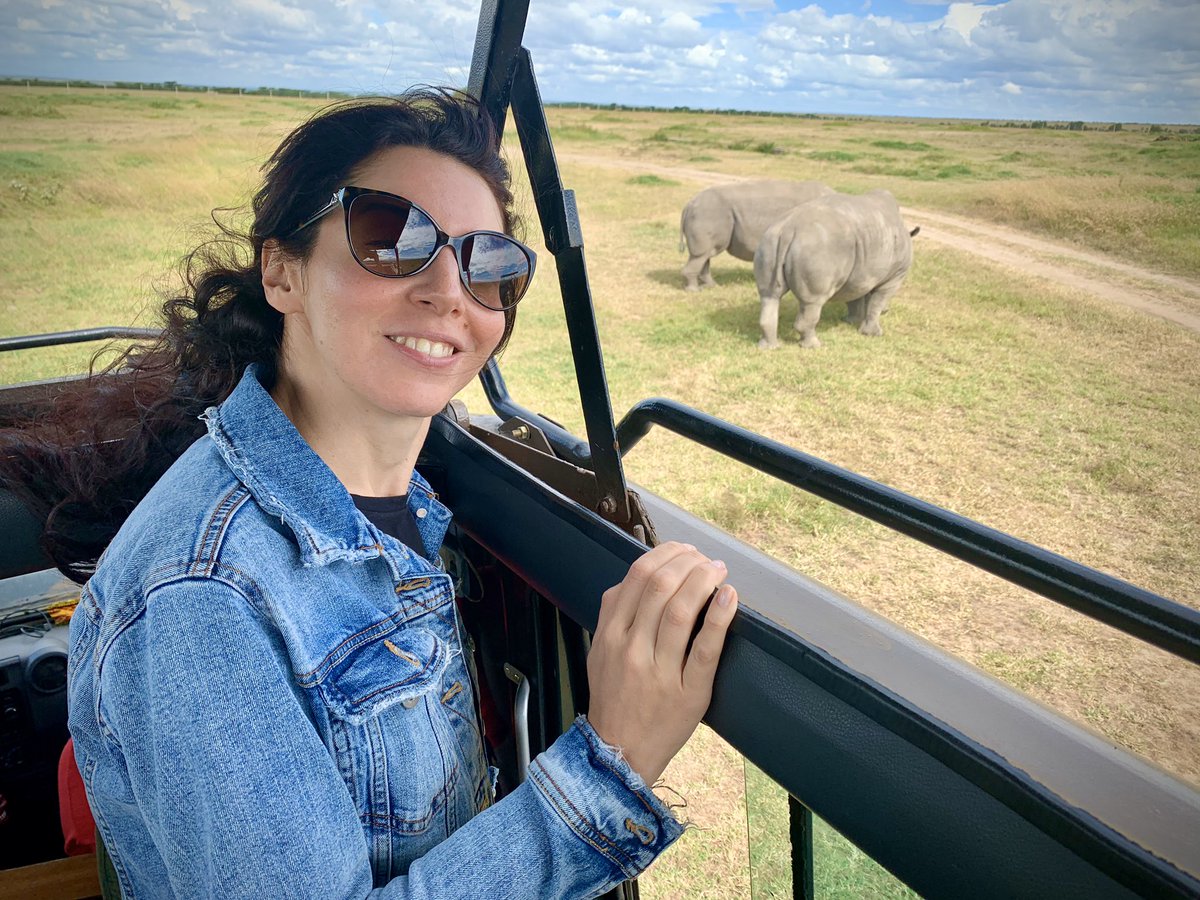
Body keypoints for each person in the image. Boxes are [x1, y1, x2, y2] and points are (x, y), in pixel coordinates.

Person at [0, 87, 738, 897]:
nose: (449, 290)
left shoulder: (396, 505)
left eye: (489, 264)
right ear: (282, 272)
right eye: (391, 239)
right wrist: (613, 762)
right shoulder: (204, 594)